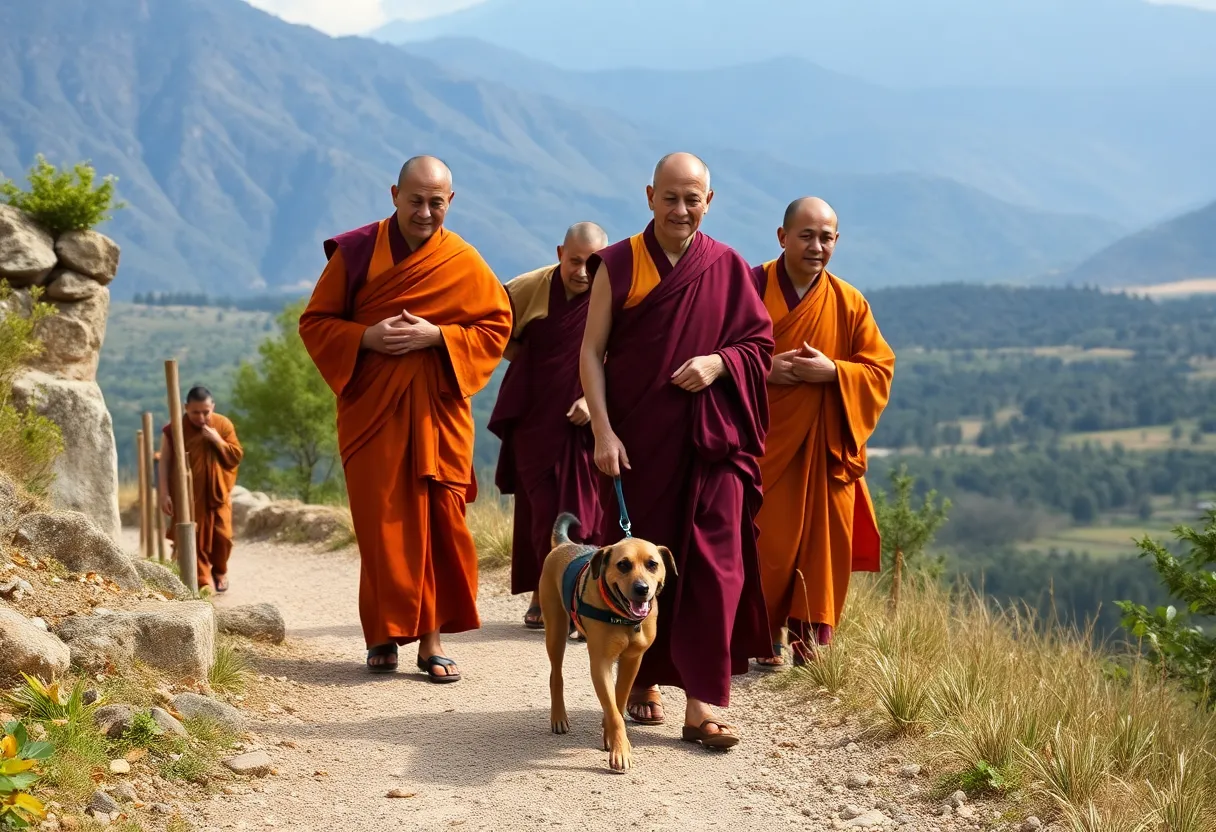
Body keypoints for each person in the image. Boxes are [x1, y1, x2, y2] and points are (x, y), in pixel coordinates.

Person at [579, 152, 775, 748]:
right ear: (649, 196)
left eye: (693, 199)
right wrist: (603, 431)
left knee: (717, 572)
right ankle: (642, 679)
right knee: (641, 571)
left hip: (713, 446)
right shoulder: (618, 264)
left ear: (708, 202)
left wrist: (720, 362)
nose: (681, 209)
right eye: (670, 197)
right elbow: (591, 352)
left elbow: (759, 344)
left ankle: (701, 702)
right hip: (640, 445)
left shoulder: (728, 266)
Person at [298, 156, 512, 681]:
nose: (424, 212)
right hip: (372, 412)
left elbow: (496, 324)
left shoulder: (462, 260)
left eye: (436, 202)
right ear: (394, 194)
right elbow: (316, 322)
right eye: (415, 200)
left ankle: (431, 641)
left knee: (441, 524)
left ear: (450, 201)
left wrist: (439, 336)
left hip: (438, 414)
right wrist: (366, 337)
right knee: (383, 528)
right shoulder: (357, 253)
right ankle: (382, 634)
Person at [749, 197, 895, 669]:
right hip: (764, 445)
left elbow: (880, 369)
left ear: (837, 241)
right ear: (782, 237)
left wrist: (834, 372)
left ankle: (810, 645)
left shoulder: (849, 302)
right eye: (806, 236)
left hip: (826, 451)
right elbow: (717, 353)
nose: (816, 246)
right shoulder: (748, 288)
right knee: (766, 545)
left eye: (826, 238)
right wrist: (765, 370)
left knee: (822, 547)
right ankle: (762, 634)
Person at [489, 222, 609, 630]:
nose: (582, 272)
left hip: (588, 426)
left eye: (592, 263)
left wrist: (592, 400)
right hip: (537, 419)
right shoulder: (528, 288)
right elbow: (491, 328)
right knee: (542, 514)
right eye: (575, 261)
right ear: (560, 253)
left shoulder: (613, 294)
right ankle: (544, 594)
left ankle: (582, 596)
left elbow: (624, 354)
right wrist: (527, 359)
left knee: (586, 512)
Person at [158, 386, 244, 593]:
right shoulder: (174, 429)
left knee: (223, 537)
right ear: (186, 408)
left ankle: (220, 571)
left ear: (213, 406)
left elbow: (235, 456)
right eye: (195, 412)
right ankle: (203, 582)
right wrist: (164, 493)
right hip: (188, 496)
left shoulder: (223, 425)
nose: (201, 417)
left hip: (218, 494)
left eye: (206, 412)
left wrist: (217, 440)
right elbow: (165, 462)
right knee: (194, 538)